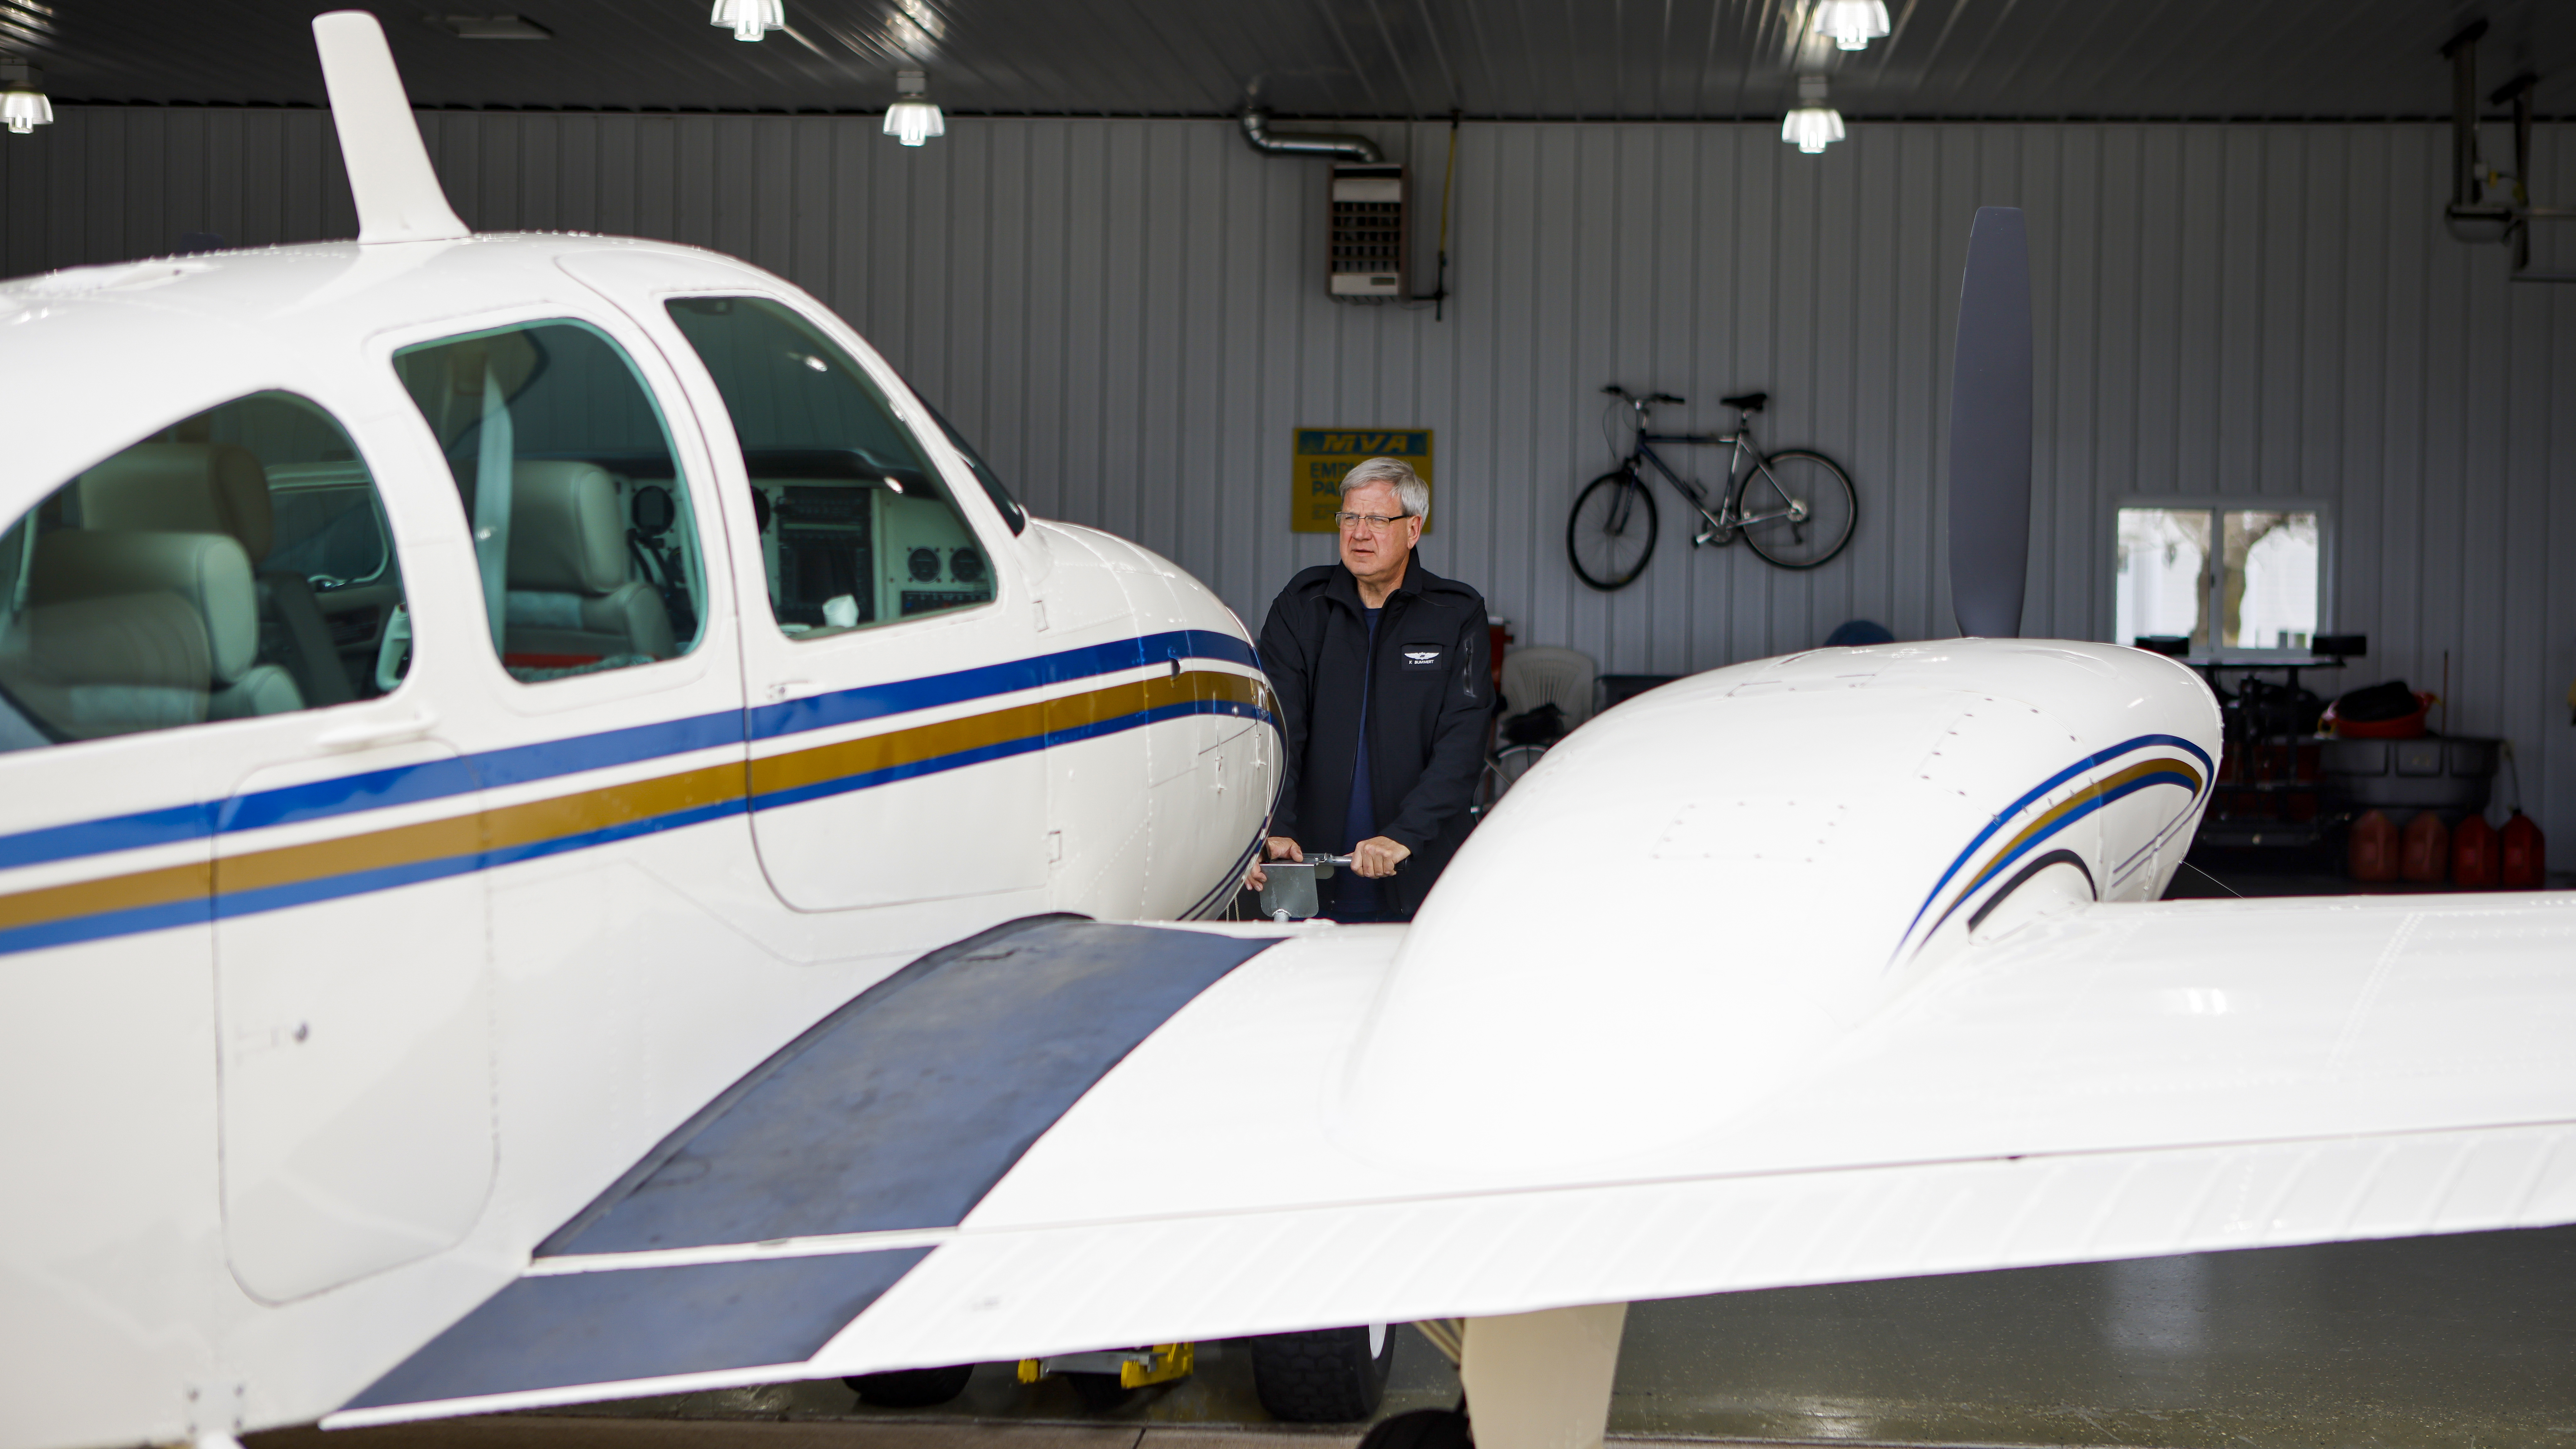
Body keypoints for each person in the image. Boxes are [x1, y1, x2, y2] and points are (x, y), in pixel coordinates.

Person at [1246, 457, 1491, 922]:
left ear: (1413, 530)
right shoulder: (1302, 607)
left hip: (1421, 871)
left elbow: (1462, 743)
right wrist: (1275, 827)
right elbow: (1277, 727)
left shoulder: (1456, 613)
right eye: (1350, 517)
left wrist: (1404, 835)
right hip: (1309, 873)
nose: (1359, 533)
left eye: (1377, 519)